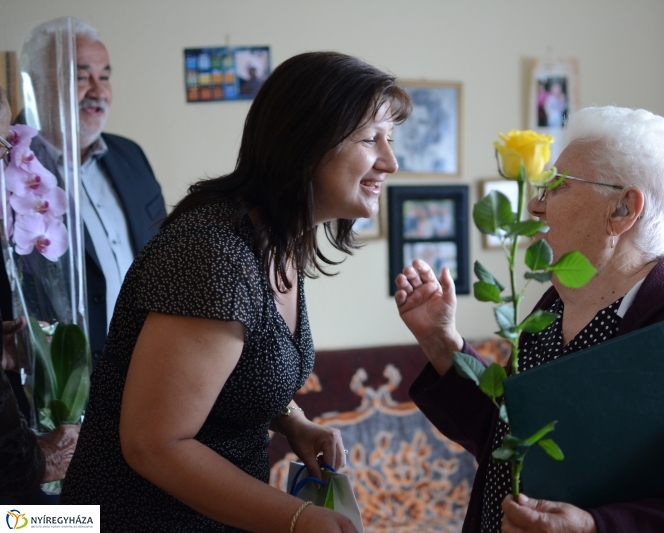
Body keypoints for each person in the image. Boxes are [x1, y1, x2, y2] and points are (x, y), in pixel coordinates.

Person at [61, 51, 411, 532]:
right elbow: (153, 444)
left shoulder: (276, 241)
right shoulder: (215, 256)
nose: (390, 161)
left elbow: (237, 373)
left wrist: (291, 420)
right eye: (372, 139)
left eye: (389, 141)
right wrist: (301, 520)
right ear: (306, 141)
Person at [394, 106, 664, 533]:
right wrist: (440, 340)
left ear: (622, 209)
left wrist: (596, 527)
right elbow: (507, 437)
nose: (535, 205)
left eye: (555, 186)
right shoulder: (553, 307)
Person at [1, 17, 168, 368]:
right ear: (38, 85)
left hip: (144, 375)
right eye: (80, 77)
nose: (98, 91)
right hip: (50, 387)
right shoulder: (9, 167)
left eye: (104, 76)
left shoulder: (131, 156)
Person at [0, 87, 80, 504]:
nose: (6, 158)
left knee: (78, 523)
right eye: (1, 144)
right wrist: (41, 460)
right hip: (16, 489)